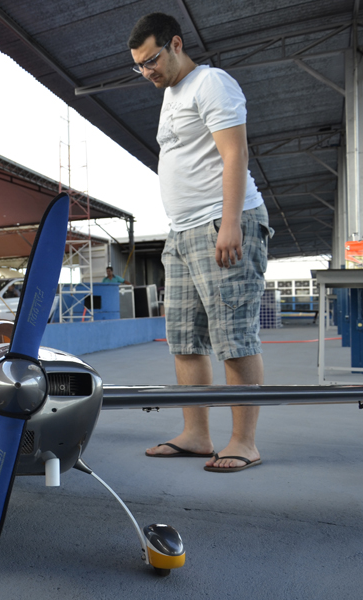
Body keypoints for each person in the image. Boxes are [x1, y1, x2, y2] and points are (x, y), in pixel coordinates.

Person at [128, 13, 272, 473]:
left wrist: (231, 222)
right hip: (183, 231)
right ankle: (196, 434)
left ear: (175, 43)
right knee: (185, 339)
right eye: (139, 66)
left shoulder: (211, 83)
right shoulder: (171, 96)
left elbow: (235, 152)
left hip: (221, 223)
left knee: (233, 336)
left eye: (151, 60)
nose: (147, 71)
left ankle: (243, 441)